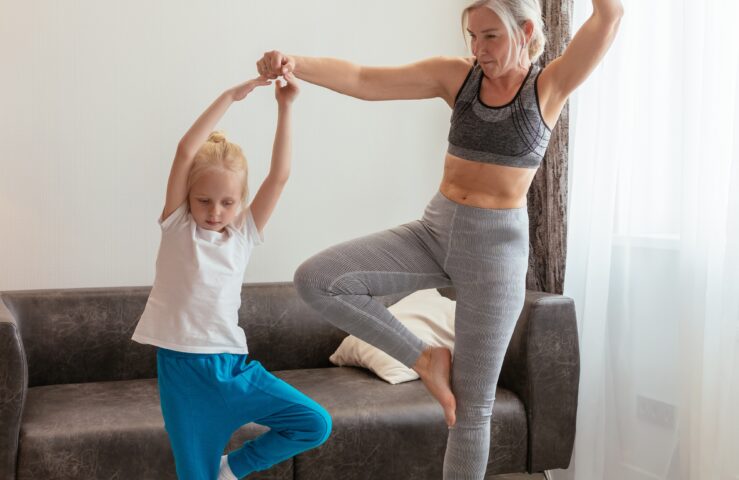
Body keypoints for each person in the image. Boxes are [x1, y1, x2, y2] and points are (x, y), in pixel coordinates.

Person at [256, 0, 622, 478]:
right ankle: (427, 359)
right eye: (472, 35)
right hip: (435, 229)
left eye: (490, 36)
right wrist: (294, 63)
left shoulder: (547, 87)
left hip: (495, 257)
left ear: (527, 29)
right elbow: (365, 80)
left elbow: (609, 15)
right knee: (318, 279)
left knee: (470, 413)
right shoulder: (458, 77)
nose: (478, 48)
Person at [131, 74, 332, 480]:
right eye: (204, 200)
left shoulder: (243, 235)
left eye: (227, 202)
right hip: (182, 379)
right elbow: (186, 150)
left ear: (240, 202)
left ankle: (232, 468)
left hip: (231, 370)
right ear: (188, 198)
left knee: (315, 423)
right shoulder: (177, 226)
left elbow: (280, 175)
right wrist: (229, 96)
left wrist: (286, 105)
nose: (214, 211)